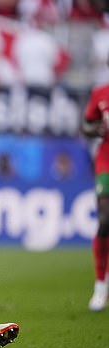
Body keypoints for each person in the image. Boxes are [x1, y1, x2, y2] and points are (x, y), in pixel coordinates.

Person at [82, 54, 109, 311]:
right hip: (106, 162)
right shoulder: (101, 93)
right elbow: (86, 125)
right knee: (104, 220)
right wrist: (98, 130)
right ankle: (100, 287)